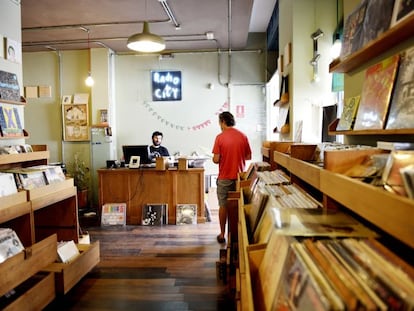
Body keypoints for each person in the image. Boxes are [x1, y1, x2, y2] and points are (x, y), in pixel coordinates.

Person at [212, 112, 251, 244]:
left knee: (223, 206)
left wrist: (217, 157)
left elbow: (216, 160)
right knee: (238, 206)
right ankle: (237, 235)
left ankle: (222, 234)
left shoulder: (220, 137)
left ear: (223, 121)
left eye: (220, 123)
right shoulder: (243, 136)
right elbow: (248, 157)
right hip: (240, 177)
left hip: (224, 177)